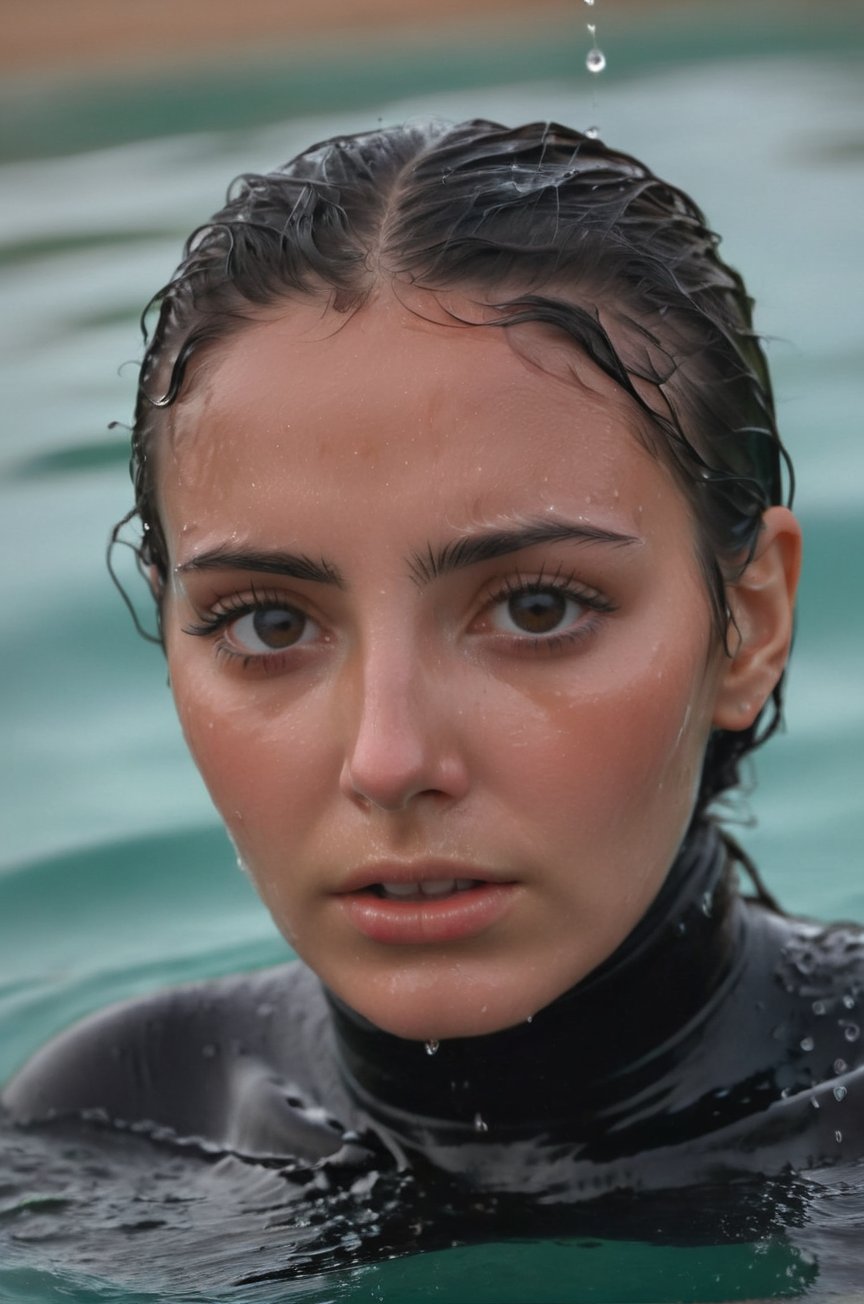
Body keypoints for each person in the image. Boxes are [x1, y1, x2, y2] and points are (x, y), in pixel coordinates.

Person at [4, 120, 863, 1220]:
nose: (391, 758)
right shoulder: (115, 1131)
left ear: (748, 623)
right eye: (267, 623)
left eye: (536, 607)